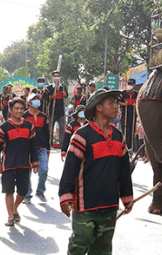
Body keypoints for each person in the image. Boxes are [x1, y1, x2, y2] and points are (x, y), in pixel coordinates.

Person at [59, 88, 133, 254]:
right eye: (111, 103)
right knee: (81, 241)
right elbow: (70, 169)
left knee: (103, 247)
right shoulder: (82, 135)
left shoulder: (118, 136)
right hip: (86, 205)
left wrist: (127, 197)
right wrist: (65, 196)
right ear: (99, 108)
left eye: (115, 103)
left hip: (109, 203)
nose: (116, 107)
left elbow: (124, 170)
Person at [0, 98, 39, 226]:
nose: (19, 111)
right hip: (8, 164)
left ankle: (15, 208)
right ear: (10, 110)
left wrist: (35, 161)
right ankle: (10, 215)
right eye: (16, 108)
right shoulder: (3, 128)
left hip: (24, 164)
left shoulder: (29, 126)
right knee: (9, 191)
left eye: (21, 108)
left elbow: (33, 146)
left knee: (23, 191)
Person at [23, 93, 50, 204]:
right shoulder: (24, 116)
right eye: (34, 99)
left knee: (44, 169)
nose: (37, 101)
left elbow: (47, 133)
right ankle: (27, 194)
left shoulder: (43, 116)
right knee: (27, 172)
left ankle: (40, 191)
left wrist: (48, 148)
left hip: (41, 148)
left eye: (38, 99)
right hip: (28, 149)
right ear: (29, 102)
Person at [43, 70, 68, 145]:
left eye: (58, 76)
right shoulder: (49, 88)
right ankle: (49, 143)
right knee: (50, 128)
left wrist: (65, 94)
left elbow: (66, 96)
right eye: (55, 76)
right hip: (52, 111)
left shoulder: (63, 87)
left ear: (60, 77)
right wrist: (51, 97)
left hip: (61, 112)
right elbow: (44, 97)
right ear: (52, 77)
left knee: (62, 128)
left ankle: (62, 144)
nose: (56, 78)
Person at [117, 79, 138, 152]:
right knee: (125, 132)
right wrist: (123, 104)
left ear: (134, 85)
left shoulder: (136, 94)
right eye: (128, 84)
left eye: (131, 84)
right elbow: (118, 101)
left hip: (133, 117)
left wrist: (136, 105)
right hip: (124, 117)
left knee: (131, 133)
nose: (129, 85)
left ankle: (130, 148)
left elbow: (140, 103)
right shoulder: (122, 93)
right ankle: (125, 147)